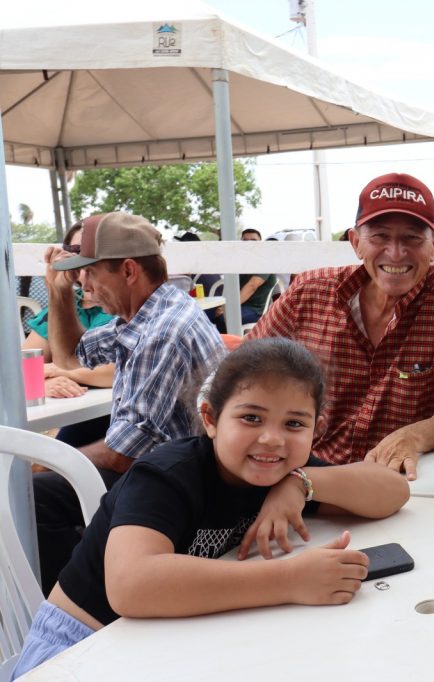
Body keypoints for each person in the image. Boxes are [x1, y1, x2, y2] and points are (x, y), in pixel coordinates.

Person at [11, 338, 411, 679]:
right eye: (251, 417)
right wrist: (289, 579)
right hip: (79, 648)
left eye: (294, 424)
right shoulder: (169, 474)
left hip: (165, 644)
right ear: (211, 419)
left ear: (315, 430)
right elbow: (131, 585)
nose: (272, 439)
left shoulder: (279, 473)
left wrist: (301, 484)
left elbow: (393, 492)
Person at [249, 172, 434, 479]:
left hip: (411, 482)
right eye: (379, 236)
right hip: (306, 474)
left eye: (412, 238)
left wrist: (416, 435)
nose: (396, 253)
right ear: (355, 243)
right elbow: (245, 370)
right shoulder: (310, 291)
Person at [37, 212, 225, 593]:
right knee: (55, 468)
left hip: (186, 485)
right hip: (179, 465)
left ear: (128, 271)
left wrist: (44, 465)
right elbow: (72, 355)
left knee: (36, 497)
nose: (84, 285)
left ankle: (79, 605)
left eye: (89, 272)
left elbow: (123, 454)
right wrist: (58, 294)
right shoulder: (151, 312)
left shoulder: (163, 331)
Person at [22, 223, 115, 445]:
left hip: (114, 417)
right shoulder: (63, 307)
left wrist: (60, 371)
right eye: (74, 251)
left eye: (91, 252)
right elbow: (21, 365)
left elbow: (119, 369)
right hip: (77, 416)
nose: (82, 259)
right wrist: (42, 384)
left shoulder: (122, 305)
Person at [210, 227, 277, 332]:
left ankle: (230, 345)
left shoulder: (264, 262)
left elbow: (252, 286)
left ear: (261, 243)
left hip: (256, 310)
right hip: (240, 305)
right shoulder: (241, 262)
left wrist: (228, 307)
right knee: (207, 313)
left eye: (253, 240)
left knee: (224, 317)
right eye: (245, 241)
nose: (249, 243)